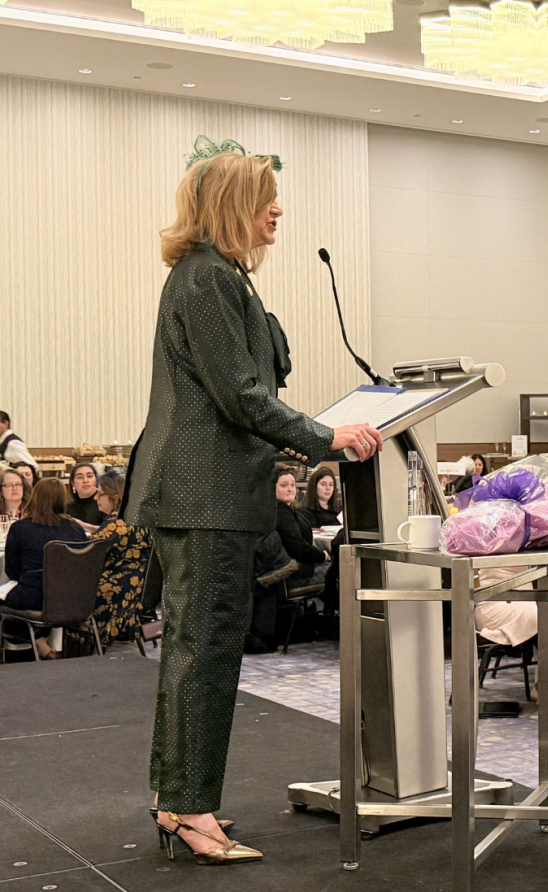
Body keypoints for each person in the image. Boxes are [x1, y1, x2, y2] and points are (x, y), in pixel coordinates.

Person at [123, 139, 382, 865]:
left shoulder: (215, 275)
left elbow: (243, 395)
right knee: (204, 653)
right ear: (232, 205)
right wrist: (328, 437)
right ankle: (189, 807)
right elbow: (242, 397)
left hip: (206, 496)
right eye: (266, 199)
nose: (278, 211)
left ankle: (179, 797)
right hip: (205, 498)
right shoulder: (207, 277)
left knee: (194, 652)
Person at [2, 478, 89, 658]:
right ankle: (43, 644)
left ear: (35, 497)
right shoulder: (75, 529)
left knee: (7, 600)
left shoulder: (20, 528)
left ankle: (26, 648)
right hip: (72, 599)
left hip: (34, 597)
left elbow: (12, 571)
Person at [89, 472, 153, 645]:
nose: (95, 498)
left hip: (110, 593)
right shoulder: (138, 518)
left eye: (100, 494)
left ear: (114, 496)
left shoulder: (115, 524)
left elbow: (87, 553)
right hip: (134, 591)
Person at [66, 463, 106, 527]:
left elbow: (110, 529)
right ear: (72, 483)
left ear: (96, 480)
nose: (85, 480)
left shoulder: (105, 503)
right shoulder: (67, 507)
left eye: (89, 476)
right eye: (80, 477)